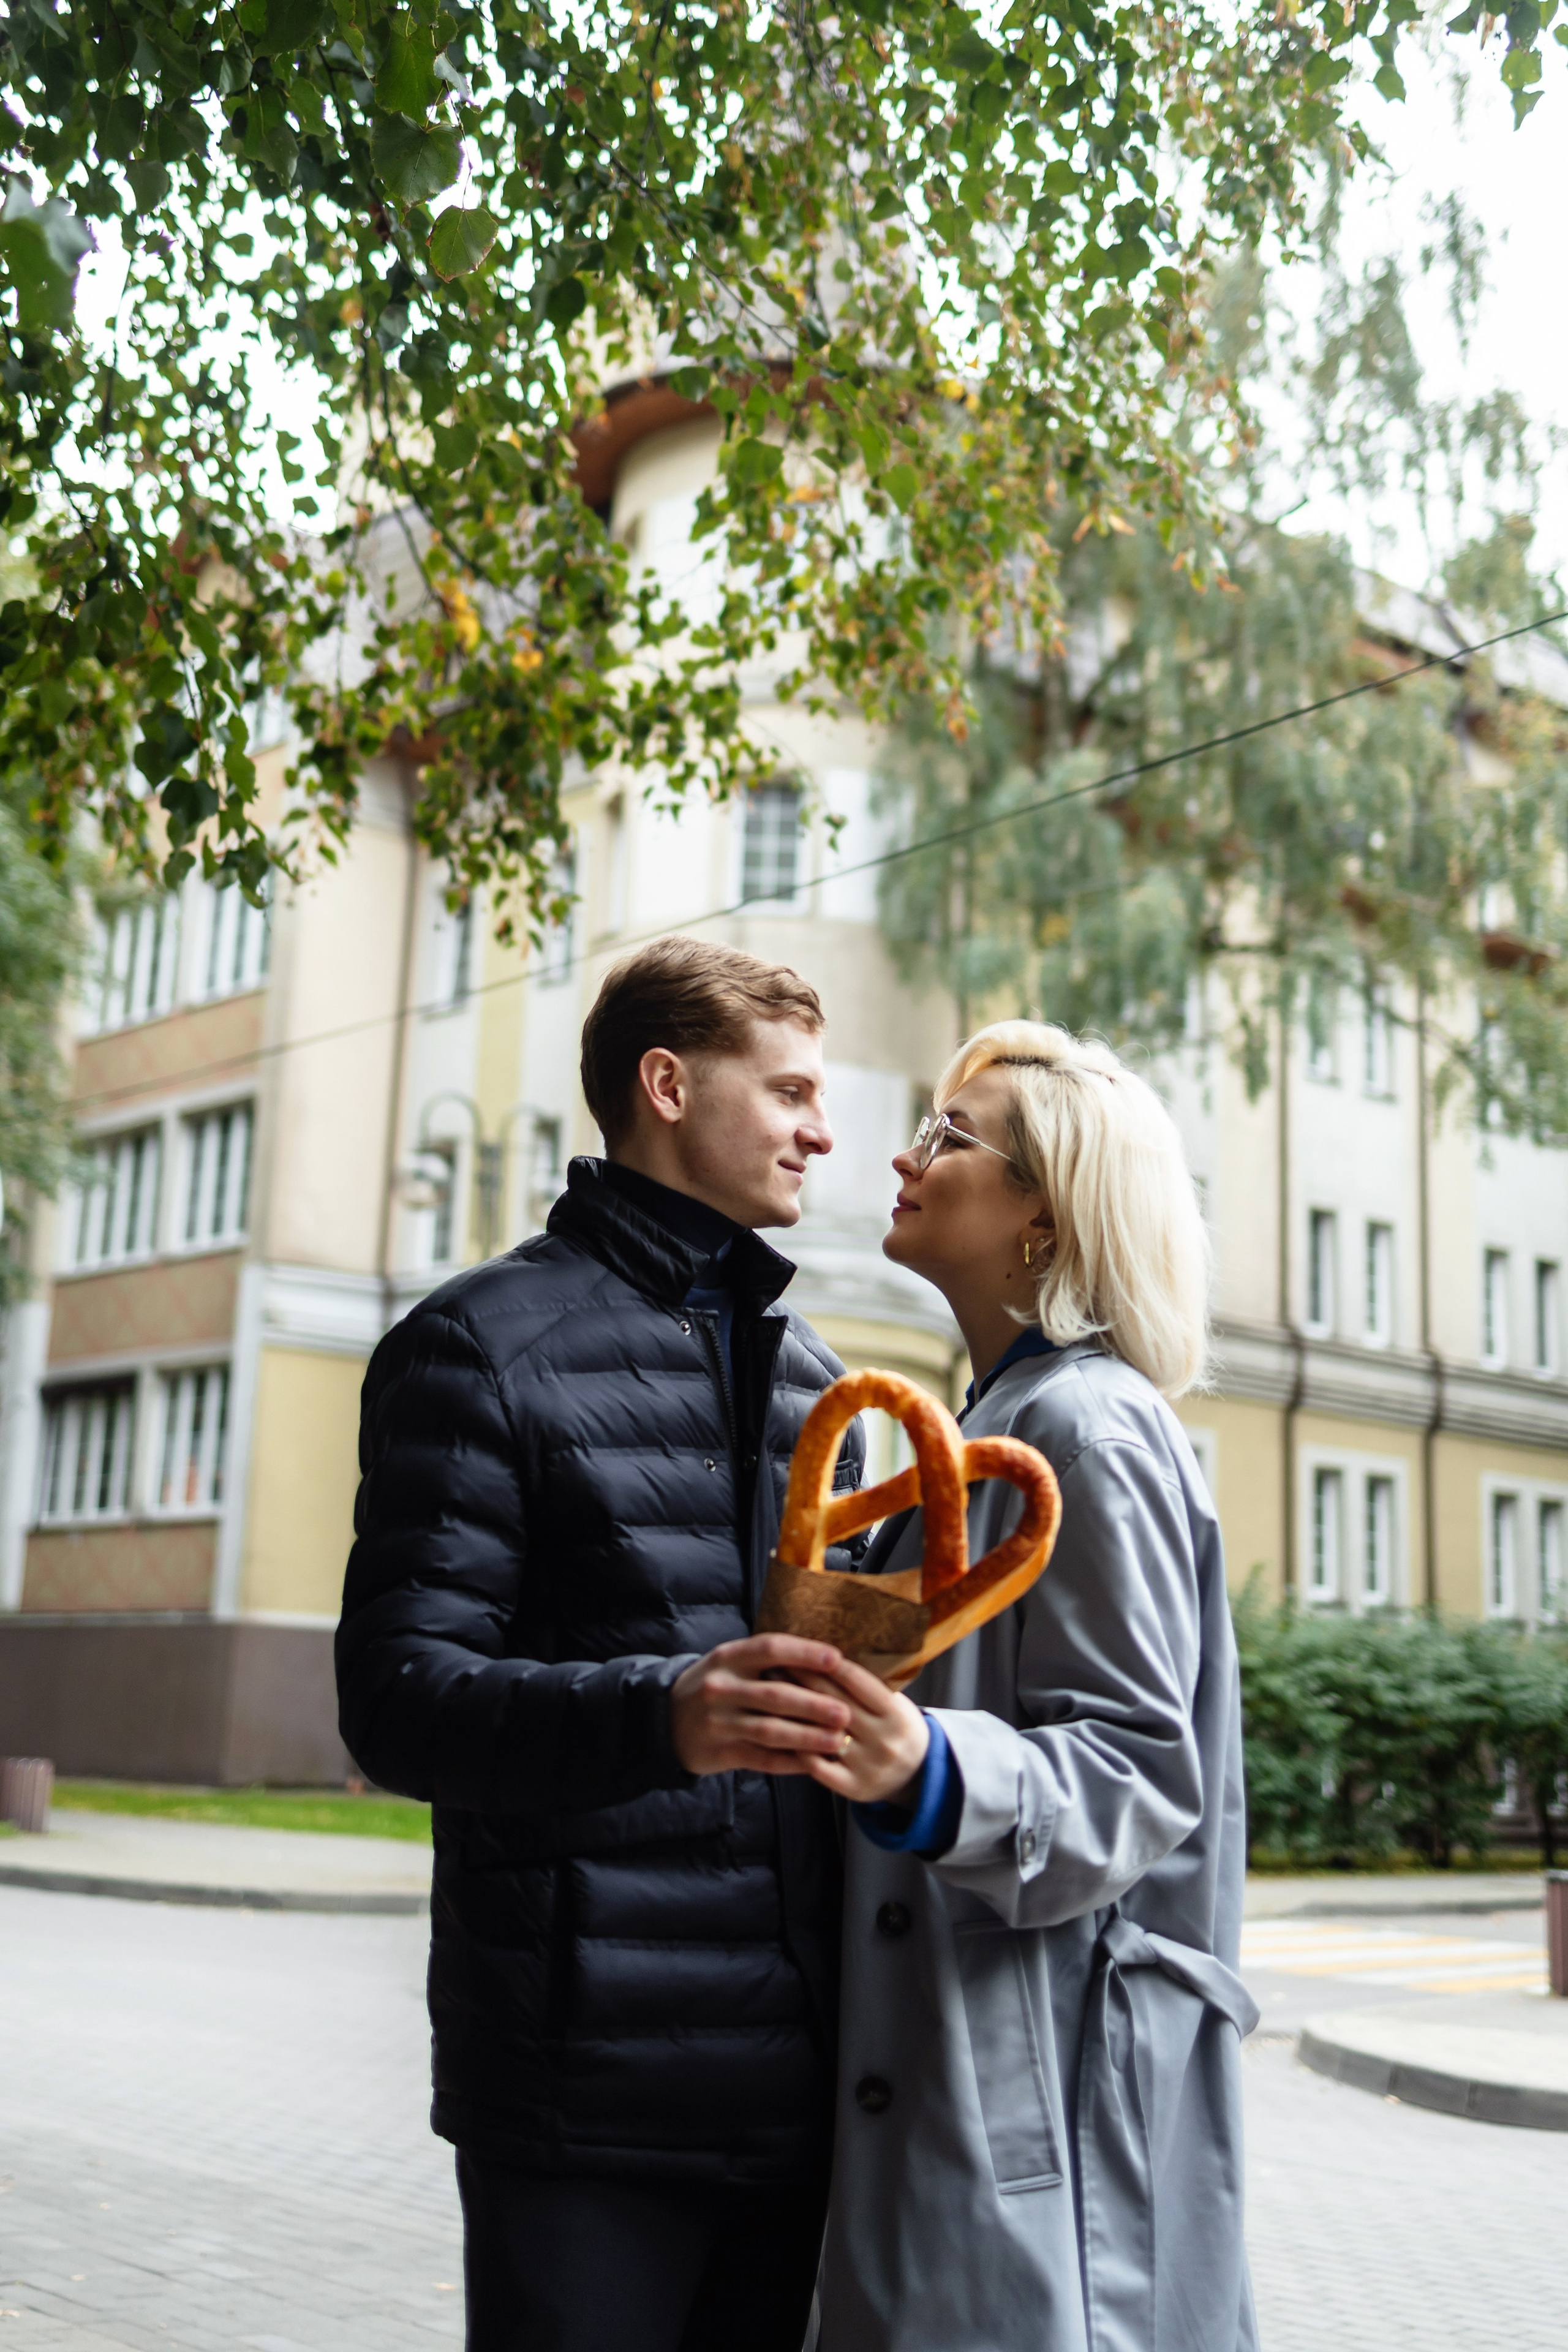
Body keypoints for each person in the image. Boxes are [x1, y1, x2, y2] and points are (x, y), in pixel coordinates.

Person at [335, 937, 867, 2352]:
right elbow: (397, 1703)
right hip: (583, 2097)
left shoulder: (814, 1382)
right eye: (793, 1090)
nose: (825, 1128)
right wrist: (662, 1713)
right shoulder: (477, 1347)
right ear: (667, 1085)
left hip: (802, 2091)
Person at [798, 1019, 1258, 2352]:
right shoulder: (982, 1431)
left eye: (949, 1136)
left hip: (1036, 2097)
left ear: (1042, 1221)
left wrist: (925, 1769)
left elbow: (1133, 1769)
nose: (902, 1153)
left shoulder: (1086, 1427)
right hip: (957, 2072)